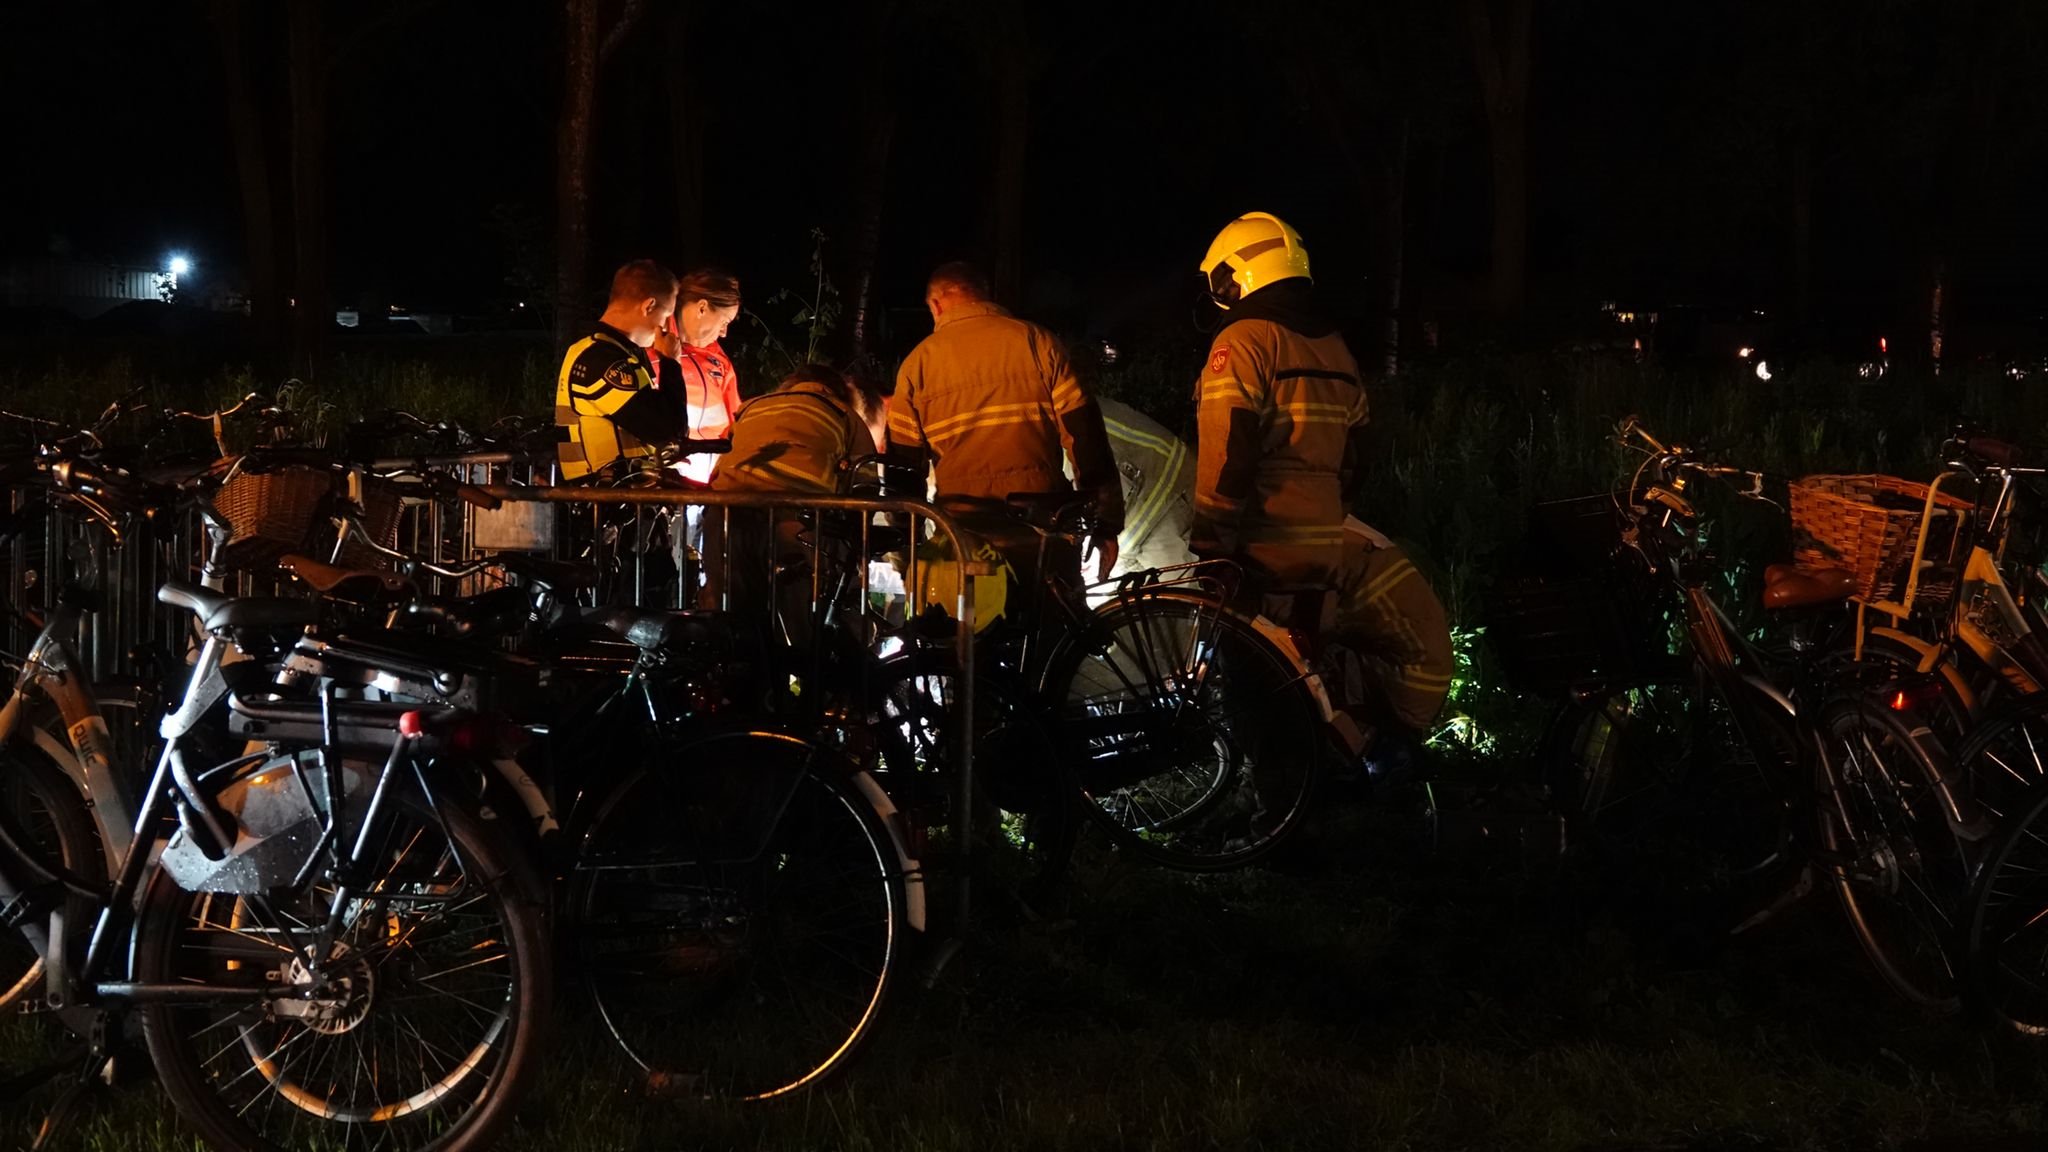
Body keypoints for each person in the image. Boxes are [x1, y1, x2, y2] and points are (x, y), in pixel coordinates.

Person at [1191, 212, 1453, 758]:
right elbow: (1359, 454)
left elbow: (1227, 456)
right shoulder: (1333, 349)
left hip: (1260, 548)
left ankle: (1271, 821)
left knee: (1257, 690)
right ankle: (1317, 803)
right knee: (1304, 676)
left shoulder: (1243, 341)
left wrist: (1212, 546)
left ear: (1236, 274)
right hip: (1321, 551)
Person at [886, 261, 1125, 583]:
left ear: (936, 304)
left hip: (965, 543)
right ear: (985, 295)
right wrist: (1106, 523)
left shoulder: (916, 367)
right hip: (1043, 536)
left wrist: (905, 545)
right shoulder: (1039, 344)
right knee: (1056, 630)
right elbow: (1086, 439)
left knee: (974, 630)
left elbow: (904, 474)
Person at [554, 260, 682, 481]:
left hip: (621, 499)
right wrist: (671, 362)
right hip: (604, 503)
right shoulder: (600, 358)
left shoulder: (617, 353)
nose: (666, 327)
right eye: (666, 315)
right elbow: (667, 431)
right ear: (648, 306)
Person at [649, 268, 744, 486]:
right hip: (665, 482)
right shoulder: (648, 347)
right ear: (702, 308)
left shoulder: (718, 359)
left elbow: (736, 421)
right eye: (724, 322)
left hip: (713, 485)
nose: (724, 333)